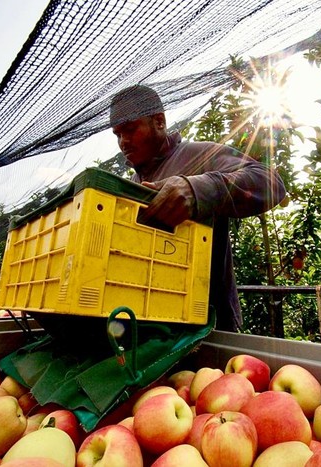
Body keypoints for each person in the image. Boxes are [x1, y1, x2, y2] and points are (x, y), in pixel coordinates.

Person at [109, 84, 286, 332]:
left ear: (159, 122)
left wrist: (197, 188)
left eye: (129, 129)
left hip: (210, 325)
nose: (123, 141)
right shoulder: (135, 185)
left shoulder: (198, 155)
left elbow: (271, 183)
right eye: (117, 134)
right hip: (157, 329)